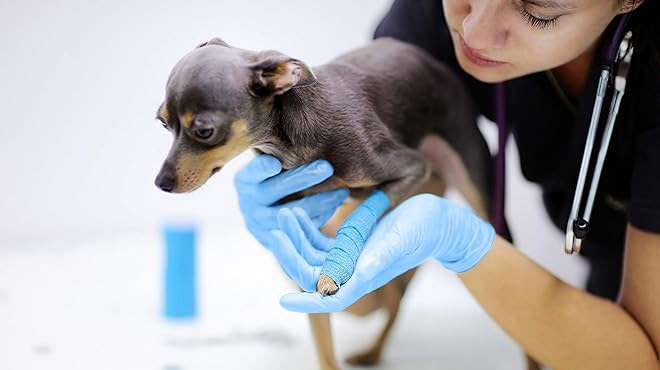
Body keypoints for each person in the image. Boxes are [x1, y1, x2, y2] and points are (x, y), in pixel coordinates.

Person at [234, 0, 660, 368]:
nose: (474, 30)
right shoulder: (427, 23)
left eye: (539, 11)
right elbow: (364, 296)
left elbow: (642, 360)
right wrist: (306, 234)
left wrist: (463, 243)